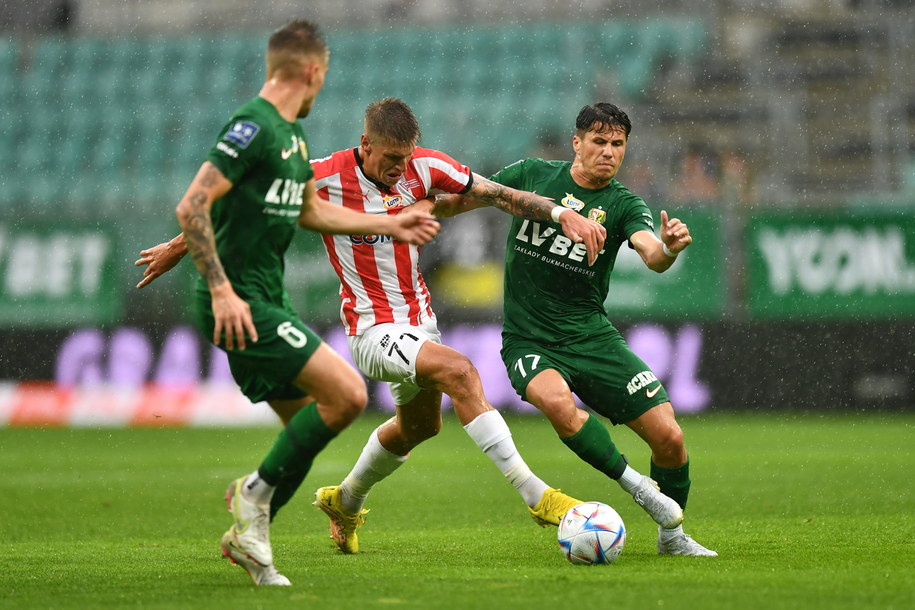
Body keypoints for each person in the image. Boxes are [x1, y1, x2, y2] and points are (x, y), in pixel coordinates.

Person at [138, 97, 611, 557]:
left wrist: (559, 212)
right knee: (461, 371)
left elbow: (497, 194)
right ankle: (537, 497)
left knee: (419, 427)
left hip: (420, 323)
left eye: (405, 159)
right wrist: (176, 248)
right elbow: (238, 202)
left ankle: (343, 501)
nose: (400, 170)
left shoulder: (425, 167)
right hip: (371, 330)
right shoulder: (321, 176)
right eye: (390, 159)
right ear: (365, 143)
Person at [135, 21, 440, 586]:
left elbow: (311, 214)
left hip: (263, 298)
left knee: (302, 434)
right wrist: (220, 287)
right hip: (239, 300)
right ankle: (252, 497)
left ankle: (253, 543)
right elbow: (193, 205)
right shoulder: (253, 126)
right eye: (323, 77)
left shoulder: (293, 139)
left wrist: (390, 223)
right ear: (313, 71)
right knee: (347, 395)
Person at [431, 102, 717, 557]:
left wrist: (670, 248)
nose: (608, 152)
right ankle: (638, 487)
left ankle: (673, 538)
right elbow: (463, 200)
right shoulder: (532, 175)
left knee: (670, 437)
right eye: (599, 142)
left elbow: (652, 256)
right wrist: (414, 210)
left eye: (617, 144)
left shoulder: (624, 205)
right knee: (556, 402)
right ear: (576, 142)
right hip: (530, 339)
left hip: (592, 337)